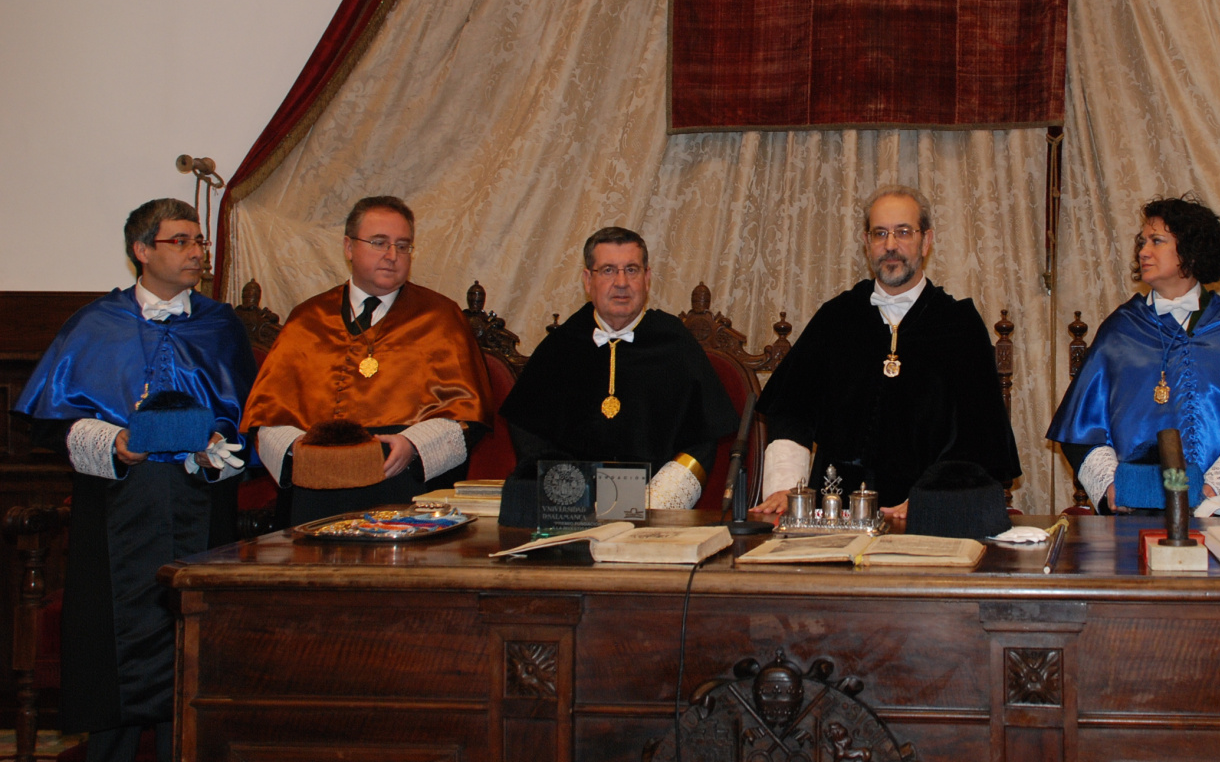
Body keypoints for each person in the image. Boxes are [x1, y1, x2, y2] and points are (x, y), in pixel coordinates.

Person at [13, 199, 255, 762]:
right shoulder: (96, 324)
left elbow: (252, 418)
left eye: (200, 241)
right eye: (181, 241)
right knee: (113, 658)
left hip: (201, 510)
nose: (197, 252)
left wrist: (215, 448)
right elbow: (50, 424)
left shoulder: (220, 325)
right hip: (115, 511)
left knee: (192, 657)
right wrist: (114, 442)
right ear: (142, 250)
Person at [753, 186, 1021, 519]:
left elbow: (978, 437)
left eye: (903, 232)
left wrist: (933, 499)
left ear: (926, 241)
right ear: (867, 243)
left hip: (923, 517)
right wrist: (786, 489)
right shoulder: (836, 318)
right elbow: (791, 411)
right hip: (835, 515)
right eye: (880, 233)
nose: (890, 245)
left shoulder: (959, 325)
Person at [243, 196, 493, 524]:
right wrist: (296, 450)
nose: (392, 255)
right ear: (349, 247)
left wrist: (414, 445)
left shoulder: (441, 318)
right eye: (379, 243)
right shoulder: (307, 320)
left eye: (403, 246)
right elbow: (266, 416)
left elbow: (467, 416)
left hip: (404, 483)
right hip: (318, 486)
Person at [1048, 197, 1220, 516]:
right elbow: (1081, 430)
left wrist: (1211, 491)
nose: (1143, 251)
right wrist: (1113, 487)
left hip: (1217, 518)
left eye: (1157, 241)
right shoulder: (1119, 330)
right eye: (1142, 242)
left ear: (1191, 250)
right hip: (1130, 517)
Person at [498, 226, 738, 508]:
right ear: (588, 280)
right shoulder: (562, 345)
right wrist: (569, 494)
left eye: (631, 270)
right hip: (571, 507)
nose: (621, 282)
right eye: (608, 270)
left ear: (647, 278)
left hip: (655, 507)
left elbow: (701, 441)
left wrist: (653, 504)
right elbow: (528, 431)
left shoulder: (676, 343)